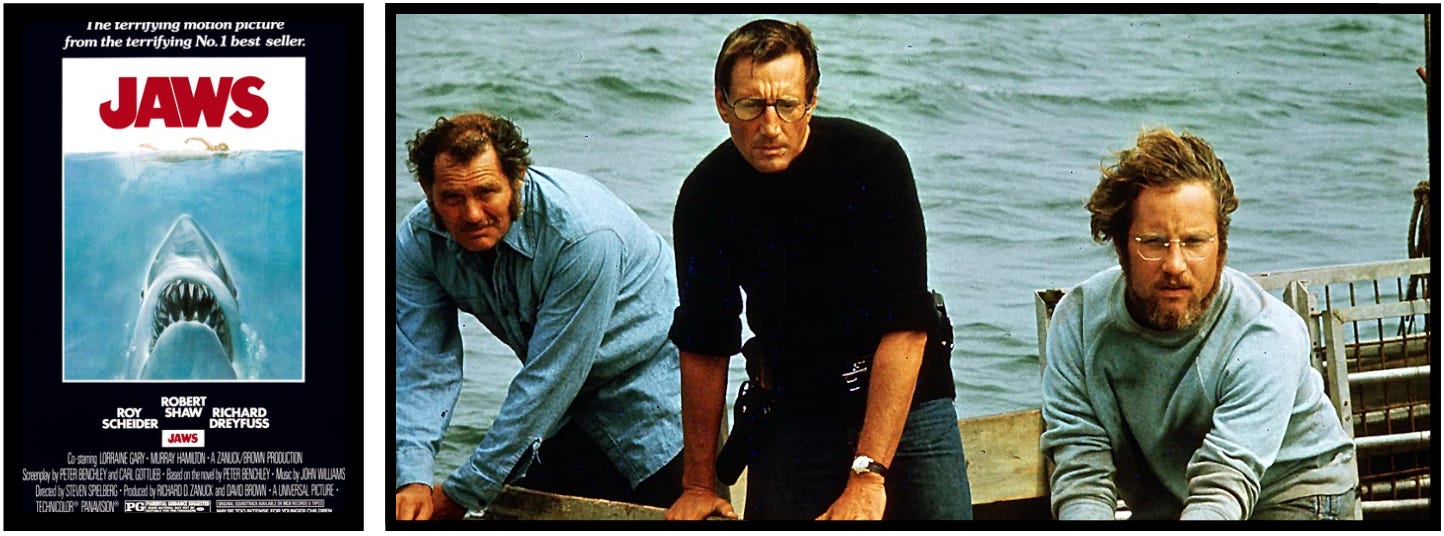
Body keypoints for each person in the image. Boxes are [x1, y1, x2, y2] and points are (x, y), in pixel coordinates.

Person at [664, 19, 971, 521]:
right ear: (722, 103)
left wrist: (868, 476)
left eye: (787, 105)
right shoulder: (705, 195)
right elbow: (705, 342)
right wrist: (698, 483)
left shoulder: (875, 163)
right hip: (795, 409)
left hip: (907, 401)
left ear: (811, 100)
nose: (770, 126)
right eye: (750, 105)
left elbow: (907, 327)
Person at [1040, 126, 1358, 520]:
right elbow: (1082, 474)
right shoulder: (1078, 322)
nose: (1175, 265)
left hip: (1293, 491)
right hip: (1176, 498)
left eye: (1194, 242)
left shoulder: (1265, 335)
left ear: (1221, 246)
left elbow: (1223, 487)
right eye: (1153, 242)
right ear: (1121, 245)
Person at [394, 111, 684, 520]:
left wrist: (463, 492)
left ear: (517, 179)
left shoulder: (582, 236)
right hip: (566, 409)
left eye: (486, 192)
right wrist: (412, 478)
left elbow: (548, 379)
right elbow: (423, 367)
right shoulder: (419, 240)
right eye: (452, 198)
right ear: (428, 191)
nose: (471, 214)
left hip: (657, 397)